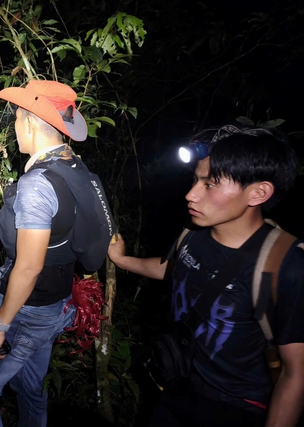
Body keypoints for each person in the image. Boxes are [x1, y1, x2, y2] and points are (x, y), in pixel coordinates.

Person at [107, 125, 304, 427]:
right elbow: (173, 268)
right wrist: (122, 261)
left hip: (235, 409)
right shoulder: (193, 234)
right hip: (175, 387)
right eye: (195, 180)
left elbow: (295, 374)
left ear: (259, 193)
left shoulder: (284, 265)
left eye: (210, 184)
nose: (191, 195)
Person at [0, 80, 114, 426]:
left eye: (17, 118)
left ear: (29, 121)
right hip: (56, 302)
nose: (15, 126)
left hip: (27, 308)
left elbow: (29, 267)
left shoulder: (37, 185)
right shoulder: (77, 169)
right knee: (31, 388)